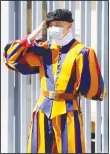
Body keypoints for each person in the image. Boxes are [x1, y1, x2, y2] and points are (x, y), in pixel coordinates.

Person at [3, 9, 106, 153]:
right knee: (38, 149)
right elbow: (11, 59)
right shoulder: (44, 49)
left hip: (68, 110)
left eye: (57, 24)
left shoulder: (82, 52)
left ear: (69, 26)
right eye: (50, 25)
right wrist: (30, 38)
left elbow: (92, 89)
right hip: (43, 109)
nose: (53, 28)